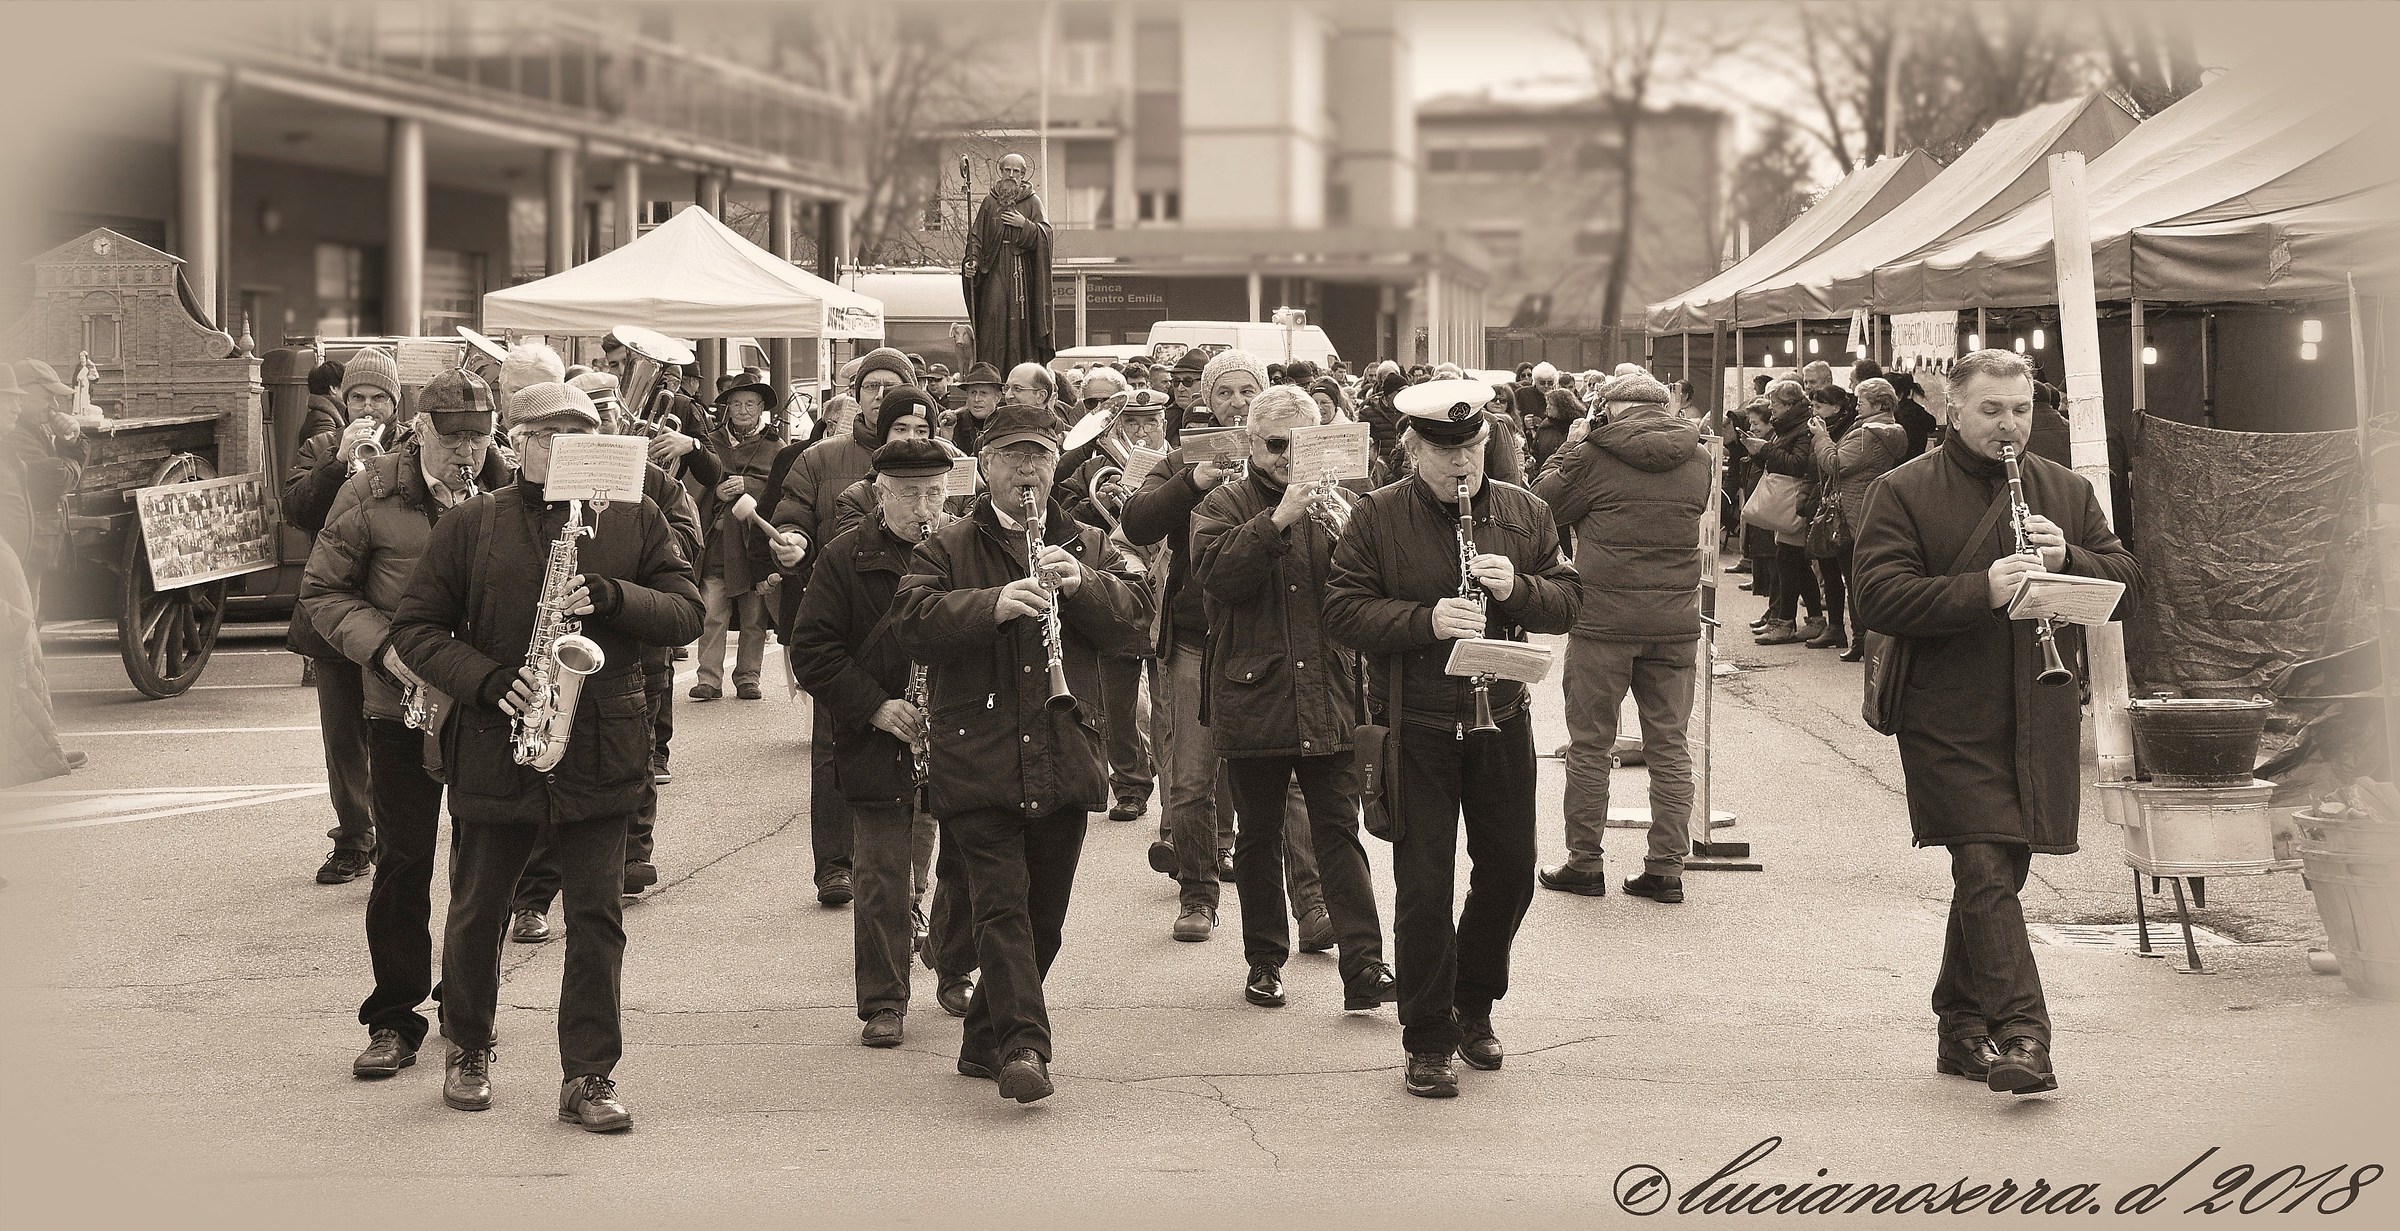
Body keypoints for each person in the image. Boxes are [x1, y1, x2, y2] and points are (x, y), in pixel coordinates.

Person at [388, 380, 704, 1131]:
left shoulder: (637, 515)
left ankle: (589, 1074)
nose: (564, 453)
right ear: (517, 443)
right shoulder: (473, 523)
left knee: (597, 918)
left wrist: (614, 596)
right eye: (547, 438)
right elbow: (416, 629)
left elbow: (687, 611)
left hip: (600, 741)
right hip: (497, 740)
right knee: (478, 910)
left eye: (579, 439)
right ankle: (468, 1046)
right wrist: (488, 680)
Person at [1851, 349, 2141, 1096]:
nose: (2009, 425)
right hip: (1944, 711)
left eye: (2020, 410)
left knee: (1999, 870)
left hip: (2040, 705)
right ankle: (2023, 1034)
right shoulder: (1902, 489)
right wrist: (1979, 588)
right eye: (1991, 410)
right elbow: (1876, 598)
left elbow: (2128, 582)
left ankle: (1958, 1025)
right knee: (1982, 861)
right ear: (1951, 409)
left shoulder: (2066, 489)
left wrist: (2068, 556)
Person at [889, 402, 1153, 1104]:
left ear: (1057, 462)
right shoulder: (947, 546)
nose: (1027, 470)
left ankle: (983, 1039)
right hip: (977, 754)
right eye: (1012, 456)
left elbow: (1137, 621)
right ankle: (1025, 1047)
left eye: (1039, 455)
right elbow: (910, 623)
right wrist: (991, 604)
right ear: (985, 465)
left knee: (1044, 921)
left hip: (1064, 750)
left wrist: (1086, 585)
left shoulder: (1088, 542)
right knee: (1002, 910)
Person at [1323, 378, 1579, 1099]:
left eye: (1472, 446)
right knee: (1425, 885)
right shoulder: (1378, 514)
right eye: (1445, 451)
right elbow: (1342, 610)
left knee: (1511, 870)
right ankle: (1428, 1034)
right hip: (1418, 724)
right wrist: (1425, 620)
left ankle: (1474, 999)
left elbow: (1568, 600)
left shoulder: (1525, 511)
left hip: (1502, 716)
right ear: (1413, 449)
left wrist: (1518, 590)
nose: (1461, 462)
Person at [297, 368, 508, 1079]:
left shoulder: (509, 488)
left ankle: (467, 1007)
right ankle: (393, 1017)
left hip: (484, 706)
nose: (468, 452)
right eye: (454, 438)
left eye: (479, 437)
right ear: (421, 429)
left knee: (483, 868)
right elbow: (323, 590)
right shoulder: (369, 491)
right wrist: (387, 652)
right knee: (403, 862)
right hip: (400, 704)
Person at [1189, 385, 1397, 1013]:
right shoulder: (1223, 502)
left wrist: (1350, 534)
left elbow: (1371, 590)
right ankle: (1264, 961)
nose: (1288, 457)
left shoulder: (1341, 501)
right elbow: (1217, 578)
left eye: (1301, 445)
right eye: (1277, 445)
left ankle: (1365, 966)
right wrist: (1278, 519)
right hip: (1253, 691)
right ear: (1251, 443)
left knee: (1339, 830)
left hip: (1328, 689)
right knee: (1258, 836)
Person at [1121, 350, 1328, 944]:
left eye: (1247, 391)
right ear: (1206, 401)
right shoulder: (1186, 455)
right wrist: (1191, 481)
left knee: (1292, 783)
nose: (1236, 403)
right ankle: (1198, 894)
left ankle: (1312, 905)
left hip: (1271, 638)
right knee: (1191, 777)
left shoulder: (1294, 457)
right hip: (1197, 639)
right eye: (1224, 392)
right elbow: (1137, 522)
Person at [788, 438, 980, 1047]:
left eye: (934, 494)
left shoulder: (966, 546)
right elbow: (811, 651)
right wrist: (874, 705)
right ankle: (883, 999)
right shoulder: (844, 556)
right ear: (879, 493)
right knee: (880, 872)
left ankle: (954, 966)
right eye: (909, 495)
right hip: (879, 732)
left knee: (968, 862)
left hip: (959, 727)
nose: (924, 509)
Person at [1531, 371, 1709, 905]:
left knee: (1590, 745)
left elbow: (1542, 505)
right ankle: (1666, 868)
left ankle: (1584, 863)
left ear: (1607, 410)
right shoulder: (1699, 458)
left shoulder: (1591, 455)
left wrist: (1570, 446)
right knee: (1670, 746)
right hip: (1674, 623)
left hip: (1603, 622)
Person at [768, 345, 916, 906]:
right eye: (871, 387)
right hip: (841, 620)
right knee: (833, 744)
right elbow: (793, 512)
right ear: (857, 397)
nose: (880, 397)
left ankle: (908, 869)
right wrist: (792, 540)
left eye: (891, 387)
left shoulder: (941, 461)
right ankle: (834, 864)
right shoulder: (820, 459)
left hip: (913, 624)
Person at [284, 347, 404, 885]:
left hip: (393, 610)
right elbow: (297, 511)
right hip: (333, 610)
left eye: (379, 398)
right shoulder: (319, 446)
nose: (369, 408)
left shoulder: (412, 446)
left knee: (397, 731)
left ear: (395, 404)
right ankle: (355, 837)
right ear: (344, 400)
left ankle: (397, 836)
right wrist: (338, 462)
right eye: (358, 398)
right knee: (342, 735)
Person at [690, 376, 783, 703]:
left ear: (761, 408)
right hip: (718, 542)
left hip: (754, 545)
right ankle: (708, 679)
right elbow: (694, 486)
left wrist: (750, 486)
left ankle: (748, 677)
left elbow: (782, 491)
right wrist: (716, 492)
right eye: (737, 403)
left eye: (750, 404)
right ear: (727, 407)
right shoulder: (711, 443)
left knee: (754, 616)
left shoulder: (776, 447)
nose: (743, 410)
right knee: (712, 611)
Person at [1811, 377, 1908, 662]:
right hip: (1867, 508)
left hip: (1851, 513)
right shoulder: (1888, 431)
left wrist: (1821, 437)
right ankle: (1863, 639)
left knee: (1853, 579)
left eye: (1861, 402)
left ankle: (1861, 640)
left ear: (1878, 405)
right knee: (1858, 578)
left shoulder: (1868, 435)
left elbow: (1834, 464)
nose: (1856, 407)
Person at [964, 153, 1056, 373]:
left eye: (1016, 171)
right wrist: (972, 260)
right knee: (992, 318)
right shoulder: (989, 202)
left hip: (1021, 272)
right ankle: (992, 373)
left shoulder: (1032, 202)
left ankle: (1020, 374)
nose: (1011, 175)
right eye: (1007, 170)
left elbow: (1046, 235)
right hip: (994, 268)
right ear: (1001, 172)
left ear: (1023, 175)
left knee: (1020, 325)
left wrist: (1024, 224)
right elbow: (976, 237)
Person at [1749, 380, 1823, 646]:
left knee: (1788, 560)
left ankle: (1785, 623)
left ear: (1790, 404)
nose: (1771, 409)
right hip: (1793, 499)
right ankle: (1814, 620)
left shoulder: (1802, 429)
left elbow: (1797, 464)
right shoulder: (1788, 426)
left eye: (1775, 404)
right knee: (1796, 563)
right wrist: (1758, 453)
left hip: (1798, 499)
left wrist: (1765, 449)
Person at [944, 362, 1005, 453]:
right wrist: (946, 440)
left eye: (983, 393)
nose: (977, 399)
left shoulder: (1006, 424)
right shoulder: (955, 424)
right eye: (973, 393)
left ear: (998, 397)